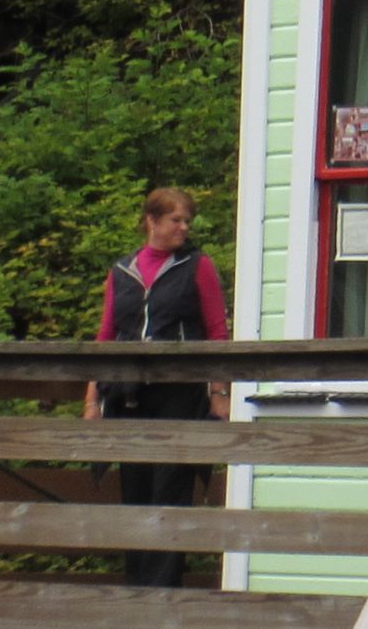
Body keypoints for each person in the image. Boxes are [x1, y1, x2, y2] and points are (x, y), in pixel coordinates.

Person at [84, 186, 231, 589]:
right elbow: (106, 334)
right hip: (128, 395)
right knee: (134, 491)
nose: (184, 228)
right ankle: (137, 592)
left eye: (187, 221)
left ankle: (163, 594)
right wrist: (92, 399)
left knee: (170, 492)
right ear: (152, 221)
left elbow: (217, 332)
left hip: (179, 394)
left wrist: (219, 393)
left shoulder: (197, 265)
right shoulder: (122, 271)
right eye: (175, 220)